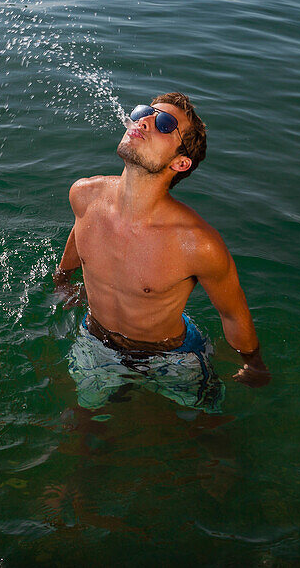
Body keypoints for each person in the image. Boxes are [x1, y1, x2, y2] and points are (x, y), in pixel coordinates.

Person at [54, 92, 270, 411]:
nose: (144, 120)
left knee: (206, 438)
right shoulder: (85, 195)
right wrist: (62, 280)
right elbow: (79, 236)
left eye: (165, 124)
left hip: (171, 356)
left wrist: (253, 365)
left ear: (180, 163)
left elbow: (232, 312)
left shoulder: (197, 243)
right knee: (84, 432)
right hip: (95, 339)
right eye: (144, 111)